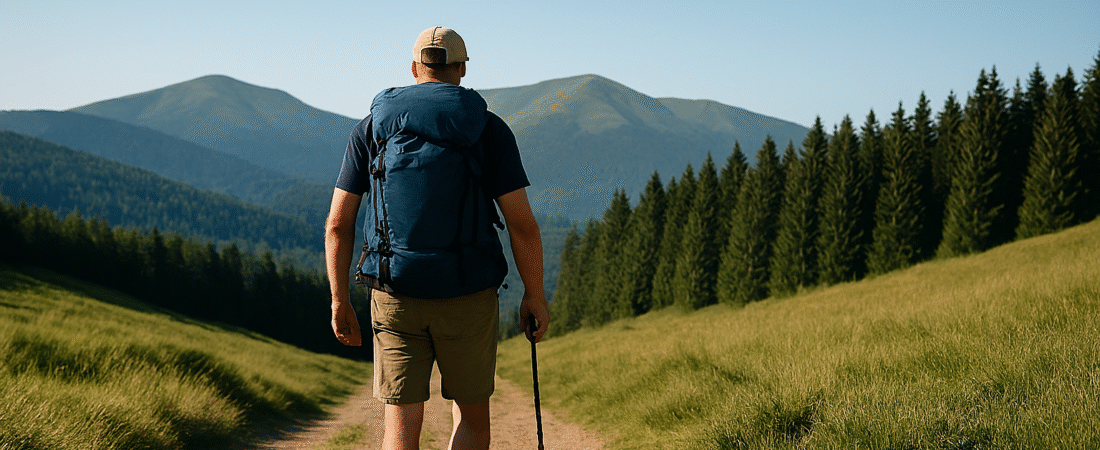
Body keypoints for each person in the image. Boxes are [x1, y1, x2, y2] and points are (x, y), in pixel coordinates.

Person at [324, 26, 549, 450]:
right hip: (468, 292)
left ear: (414, 69)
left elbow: (338, 223)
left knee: (400, 425)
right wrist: (534, 295)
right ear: (462, 70)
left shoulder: (372, 128)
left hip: (395, 291)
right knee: (472, 417)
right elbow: (522, 224)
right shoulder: (489, 129)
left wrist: (339, 299)